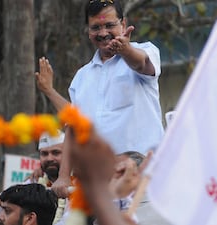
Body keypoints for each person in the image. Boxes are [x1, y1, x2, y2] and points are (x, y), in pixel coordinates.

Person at [36, 0, 164, 198]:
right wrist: (63, 177)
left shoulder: (146, 51)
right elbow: (73, 128)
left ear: (123, 24)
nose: (103, 33)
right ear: (88, 31)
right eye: (96, 27)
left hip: (145, 181)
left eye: (110, 25)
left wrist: (125, 49)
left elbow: (141, 64)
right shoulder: (82, 77)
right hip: (101, 186)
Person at [0, 130, 67, 224]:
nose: (49, 158)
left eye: (56, 153)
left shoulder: (80, 184)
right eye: (44, 154)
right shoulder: (34, 181)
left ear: (68, 155)